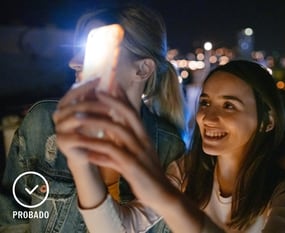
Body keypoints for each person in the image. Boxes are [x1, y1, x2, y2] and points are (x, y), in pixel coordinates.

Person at [53, 60, 285, 232]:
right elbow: (119, 228)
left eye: (229, 106)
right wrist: (80, 162)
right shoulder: (188, 171)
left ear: (267, 120)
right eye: (205, 103)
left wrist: (166, 198)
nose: (208, 117)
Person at [0, 3, 186, 232]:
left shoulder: (168, 148)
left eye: (95, 51)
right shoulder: (43, 123)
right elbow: (13, 222)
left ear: (142, 69)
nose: (74, 61)